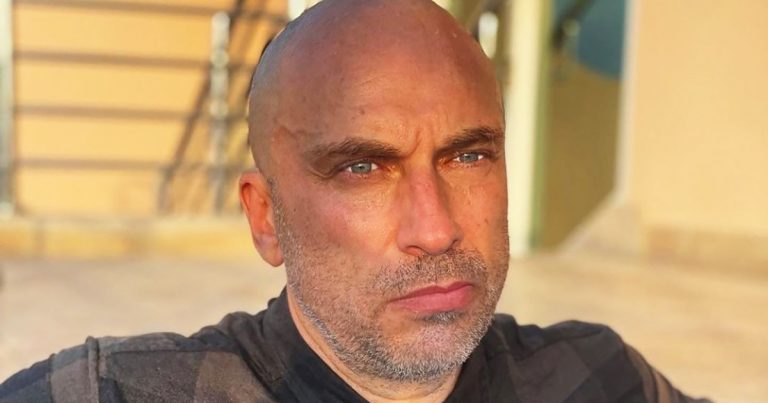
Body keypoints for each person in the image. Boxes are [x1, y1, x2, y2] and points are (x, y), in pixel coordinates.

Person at [1, 0, 709, 402]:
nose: (436, 228)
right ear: (265, 217)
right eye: (363, 167)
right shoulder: (119, 393)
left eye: (468, 156)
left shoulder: (598, 379)